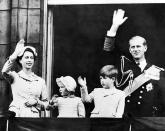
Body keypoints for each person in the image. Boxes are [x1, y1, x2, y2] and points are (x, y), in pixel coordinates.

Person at [102, 9, 165, 117]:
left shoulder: (158, 71)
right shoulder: (123, 64)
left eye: (138, 46)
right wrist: (114, 26)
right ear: (130, 50)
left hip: (147, 119)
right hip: (125, 116)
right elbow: (108, 50)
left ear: (145, 48)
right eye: (133, 47)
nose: (135, 49)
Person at [1, 39, 48, 117]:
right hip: (17, 115)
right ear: (20, 60)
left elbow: (46, 105)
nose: (29, 60)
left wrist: (36, 102)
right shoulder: (14, 76)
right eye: (26, 57)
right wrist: (15, 53)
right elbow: (4, 71)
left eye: (31, 58)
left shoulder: (40, 81)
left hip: (34, 118)